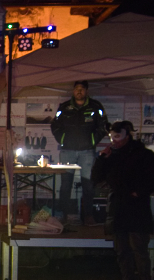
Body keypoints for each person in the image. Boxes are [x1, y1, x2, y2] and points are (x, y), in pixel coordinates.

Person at [91, 121, 154, 280]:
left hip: (136, 208)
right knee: (123, 251)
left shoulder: (144, 155)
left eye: (118, 136)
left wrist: (139, 191)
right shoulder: (112, 156)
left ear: (127, 135)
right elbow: (96, 178)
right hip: (118, 208)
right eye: (112, 137)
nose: (115, 141)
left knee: (139, 251)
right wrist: (102, 159)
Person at [50, 80, 109, 225]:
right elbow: (55, 125)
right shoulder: (64, 107)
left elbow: (103, 126)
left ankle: (88, 216)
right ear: (73, 91)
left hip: (87, 152)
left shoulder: (95, 106)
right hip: (67, 151)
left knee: (88, 185)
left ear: (87, 91)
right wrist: (62, 140)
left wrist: (92, 141)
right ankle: (63, 216)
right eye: (77, 89)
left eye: (82, 89)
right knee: (65, 185)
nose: (79, 91)